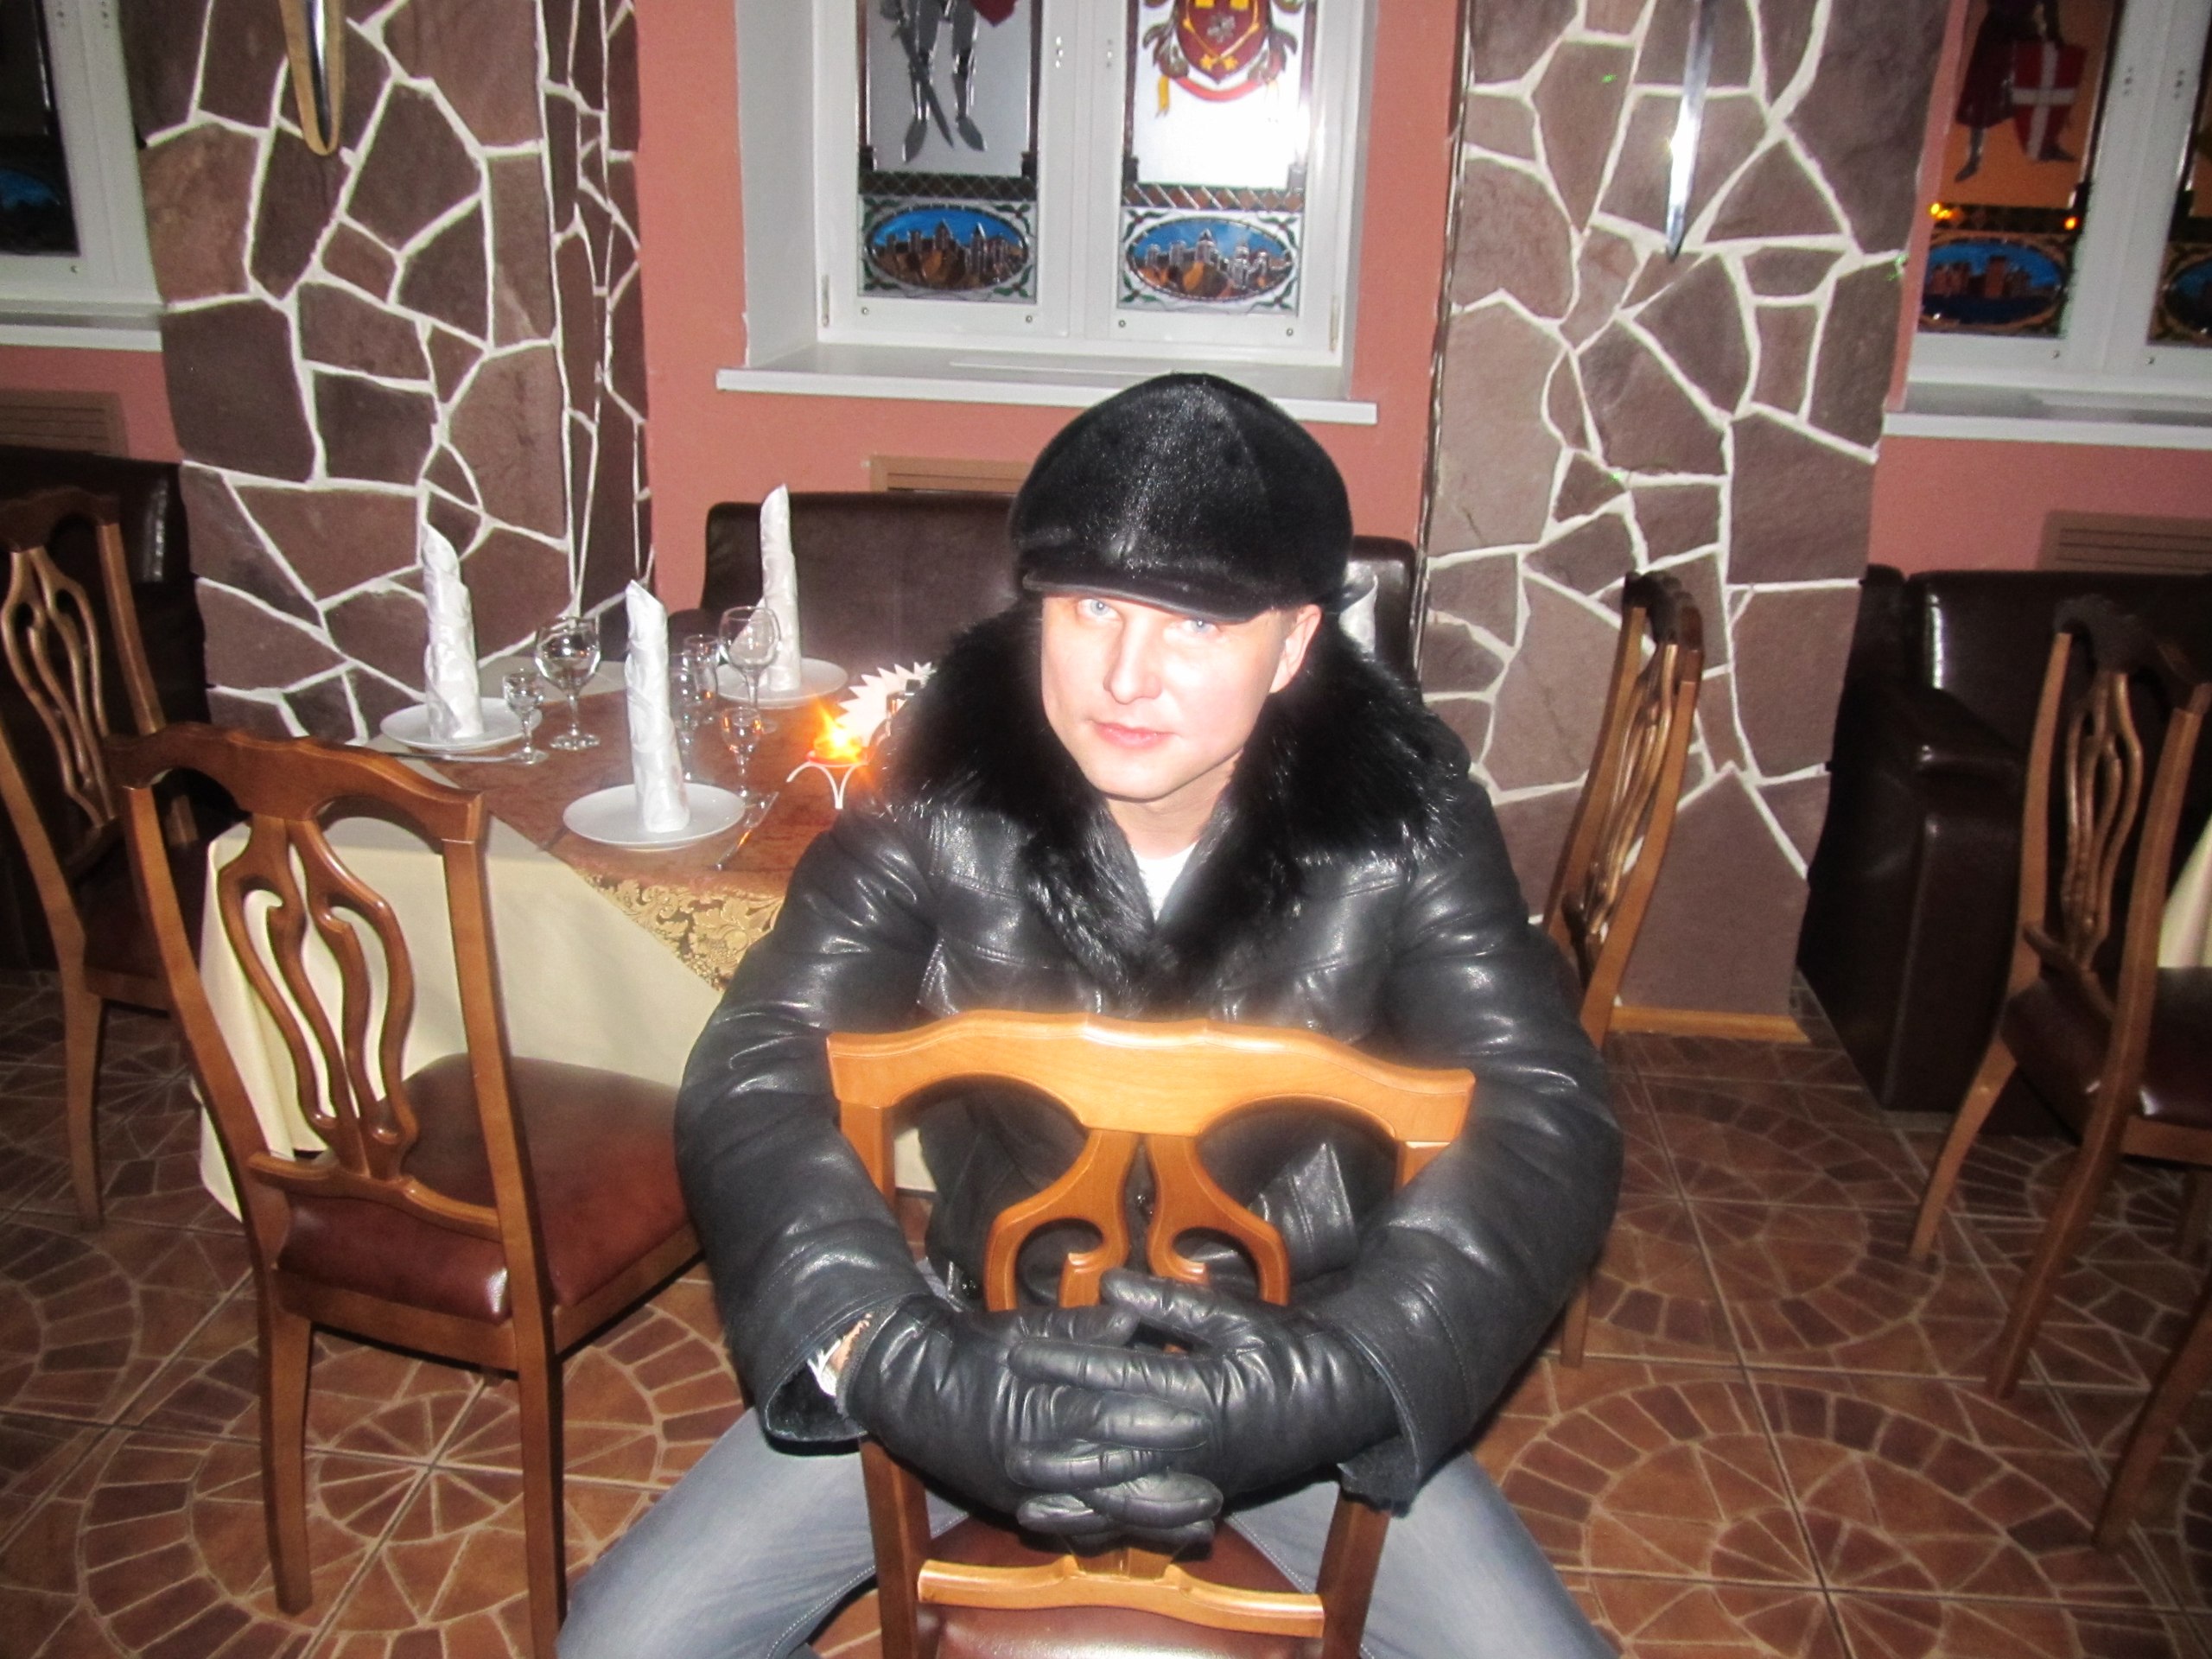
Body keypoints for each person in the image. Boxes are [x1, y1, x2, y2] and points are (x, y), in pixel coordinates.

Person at [561, 374, 1623, 1658]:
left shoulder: (1400, 810)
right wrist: (891, 1357)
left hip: (1290, 1366)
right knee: (621, 1644)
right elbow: (760, 1058)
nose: (1126, 675)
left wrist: (1339, 1375)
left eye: (1196, 624)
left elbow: (1543, 1110)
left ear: (1294, 644)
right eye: (1092, 607)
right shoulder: (941, 772)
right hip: (980, 1350)